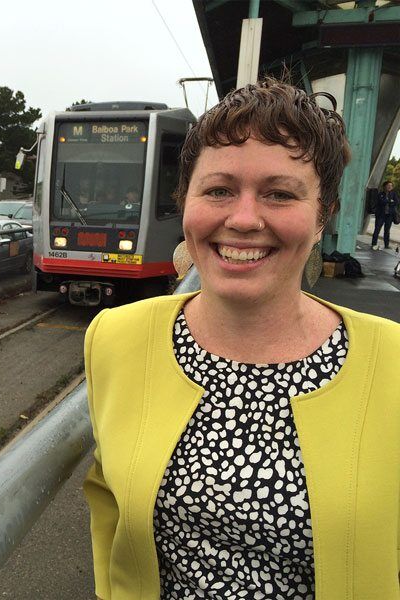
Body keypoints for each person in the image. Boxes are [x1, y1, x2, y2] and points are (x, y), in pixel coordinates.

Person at [83, 79, 400, 600]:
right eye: (219, 190)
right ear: (185, 201)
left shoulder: (390, 362)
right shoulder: (114, 340)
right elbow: (107, 507)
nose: (244, 219)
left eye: (279, 193)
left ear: (322, 216)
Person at [371, 180, 398, 250]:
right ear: (384, 186)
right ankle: (373, 244)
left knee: (387, 230)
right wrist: (390, 201)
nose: (390, 187)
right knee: (377, 229)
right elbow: (382, 202)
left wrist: (388, 201)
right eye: (388, 185)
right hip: (381, 215)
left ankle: (386, 245)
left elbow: (396, 202)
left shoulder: (393, 194)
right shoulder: (380, 194)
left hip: (389, 215)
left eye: (391, 186)